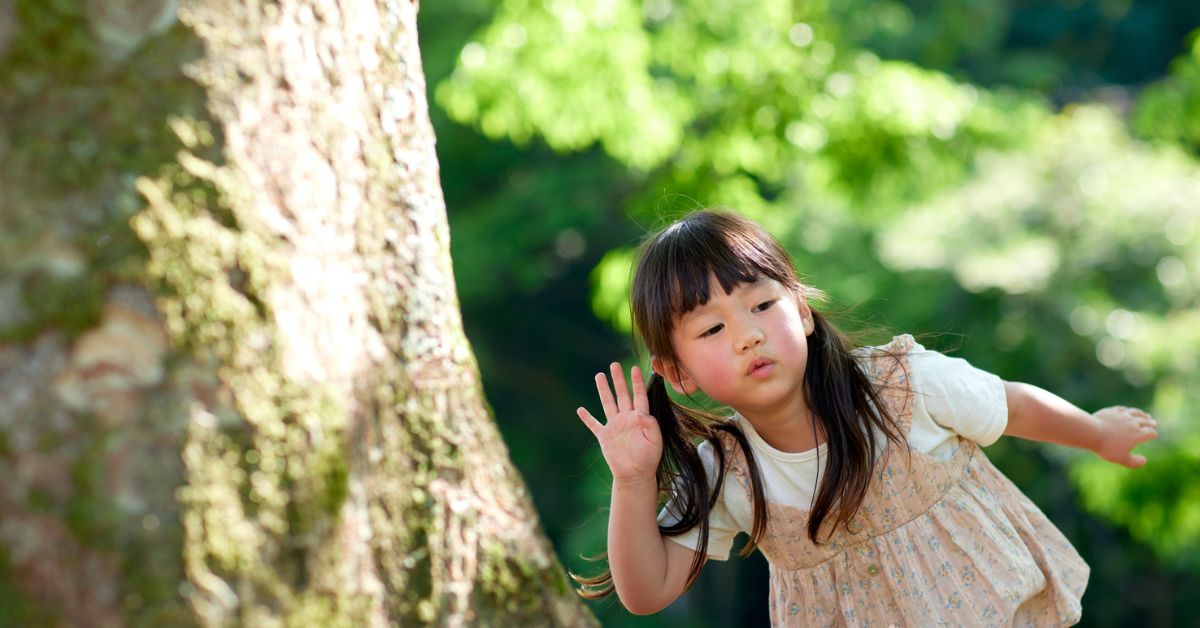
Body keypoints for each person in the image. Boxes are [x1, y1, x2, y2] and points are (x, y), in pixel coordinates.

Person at [571, 209, 1158, 626]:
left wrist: (1098, 432)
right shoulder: (729, 472)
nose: (748, 334)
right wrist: (632, 479)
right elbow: (646, 593)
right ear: (677, 374)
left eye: (762, 304)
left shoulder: (900, 387)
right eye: (714, 328)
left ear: (801, 310)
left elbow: (1011, 404)